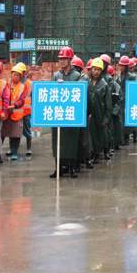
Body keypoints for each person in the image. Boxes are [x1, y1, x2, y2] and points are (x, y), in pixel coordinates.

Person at [51, 47, 83, 178]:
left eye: (65, 59)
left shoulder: (77, 76)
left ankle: (71, 167)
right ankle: (58, 168)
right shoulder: (56, 75)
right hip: (58, 114)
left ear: (70, 60)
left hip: (71, 114)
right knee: (57, 142)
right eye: (60, 59)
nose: (62, 61)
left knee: (71, 142)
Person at [2, 62, 30, 161]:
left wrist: (14, 106)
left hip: (17, 115)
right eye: (14, 74)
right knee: (5, 133)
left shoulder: (23, 86)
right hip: (6, 114)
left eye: (18, 75)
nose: (15, 77)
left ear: (20, 76)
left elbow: (22, 99)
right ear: (11, 74)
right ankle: (0, 151)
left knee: (16, 135)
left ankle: (14, 152)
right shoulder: (6, 85)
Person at [87, 58, 111, 162]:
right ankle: (91, 155)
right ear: (91, 69)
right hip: (89, 115)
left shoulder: (104, 85)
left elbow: (108, 104)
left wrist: (106, 119)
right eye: (94, 69)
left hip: (100, 115)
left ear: (101, 71)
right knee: (90, 136)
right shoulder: (87, 82)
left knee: (99, 136)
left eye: (98, 70)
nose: (96, 72)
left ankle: (99, 153)